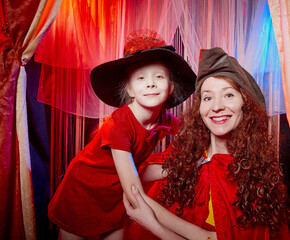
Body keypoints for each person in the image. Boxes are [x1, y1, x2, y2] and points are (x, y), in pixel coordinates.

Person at [48, 30, 216, 240]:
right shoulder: (119, 124)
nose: (150, 83)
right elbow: (134, 191)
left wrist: (205, 154)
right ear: (129, 89)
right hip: (83, 191)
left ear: (170, 87)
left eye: (159, 76)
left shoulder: (164, 119)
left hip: (115, 192)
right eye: (141, 77)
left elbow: (191, 134)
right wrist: (189, 233)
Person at [124, 47, 290, 240]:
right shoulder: (182, 157)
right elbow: (130, 184)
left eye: (228, 95)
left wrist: (153, 224)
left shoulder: (256, 175)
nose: (217, 106)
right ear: (200, 108)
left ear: (245, 103)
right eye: (207, 97)